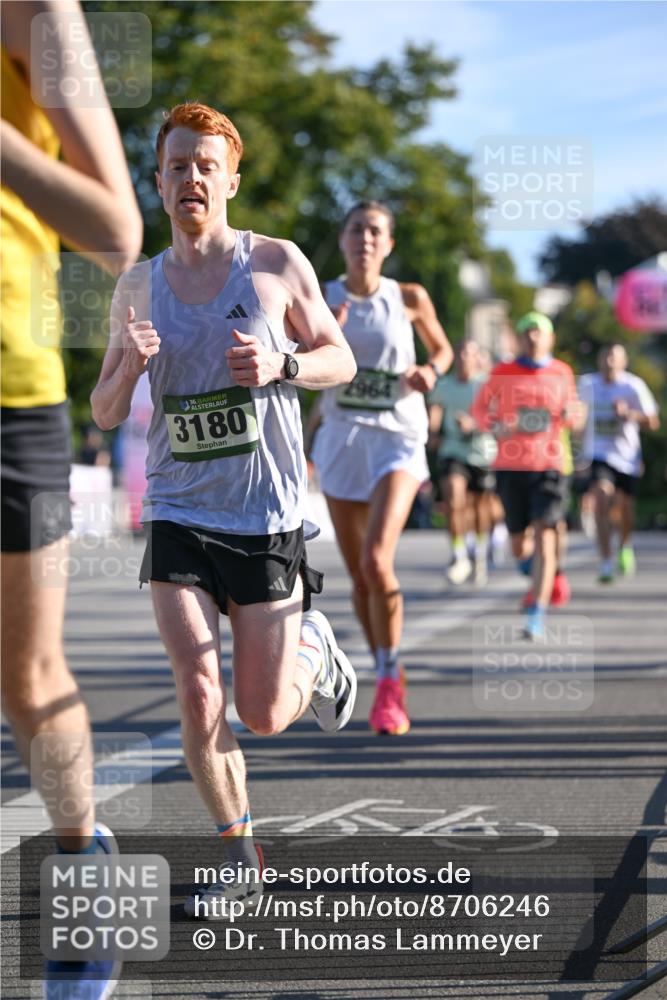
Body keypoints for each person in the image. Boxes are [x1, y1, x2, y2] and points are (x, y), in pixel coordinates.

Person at [91, 102, 358, 915]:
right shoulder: (138, 285)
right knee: (198, 691)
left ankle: (314, 644)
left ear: (230, 180)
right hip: (176, 509)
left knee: (265, 714)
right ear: (160, 180)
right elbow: (102, 412)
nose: (190, 179)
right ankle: (240, 856)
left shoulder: (274, 263)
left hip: (266, 514)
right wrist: (129, 370)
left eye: (205, 166)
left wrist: (281, 364)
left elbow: (338, 360)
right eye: (176, 166)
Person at [1, 2, 142, 997]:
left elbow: (116, 230)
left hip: (11, 390)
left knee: (28, 670)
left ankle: (83, 860)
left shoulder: (37, 11)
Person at [310, 201, 452, 735]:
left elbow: (444, 350)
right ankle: (381, 664)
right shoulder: (322, 296)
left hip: (397, 436)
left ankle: (391, 680)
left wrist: (429, 370)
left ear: (388, 244)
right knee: (359, 578)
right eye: (356, 230)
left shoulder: (408, 297)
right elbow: (299, 364)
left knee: (376, 559)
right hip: (342, 440)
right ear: (343, 239)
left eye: (375, 231)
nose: (365, 239)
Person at [470, 312, 586, 640]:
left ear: (550, 338)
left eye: (540, 331)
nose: (533, 337)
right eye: (527, 331)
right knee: (519, 545)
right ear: (520, 338)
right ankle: (535, 570)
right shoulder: (502, 371)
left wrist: (571, 415)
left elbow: (575, 416)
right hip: (510, 466)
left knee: (546, 535)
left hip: (550, 465)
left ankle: (536, 611)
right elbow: (480, 409)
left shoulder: (562, 372)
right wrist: (496, 427)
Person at [578, 343, 659, 582]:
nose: (610, 361)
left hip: (627, 457)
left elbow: (653, 422)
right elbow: (577, 417)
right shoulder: (587, 384)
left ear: (624, 362)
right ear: (599, 360)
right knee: (601, 500)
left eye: (615, 357)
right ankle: (604, 562)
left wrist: (629, 414)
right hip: (598, 455)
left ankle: (625, 545)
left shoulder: (633, 386)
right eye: (606, 356)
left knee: (625, 511)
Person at [428, 338, 497, 586]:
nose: (465, 358)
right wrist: (433, 433)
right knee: (454, 498)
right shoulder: (445, 385)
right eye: (462, 353)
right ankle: (459, 556)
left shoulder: (487, 386)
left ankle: (479, 555)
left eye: (471, 354)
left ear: (478, 358)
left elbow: (498, 419)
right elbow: (435, 413)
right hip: (453, 450)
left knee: (480, 509)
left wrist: (474, 425)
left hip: (482, 452)